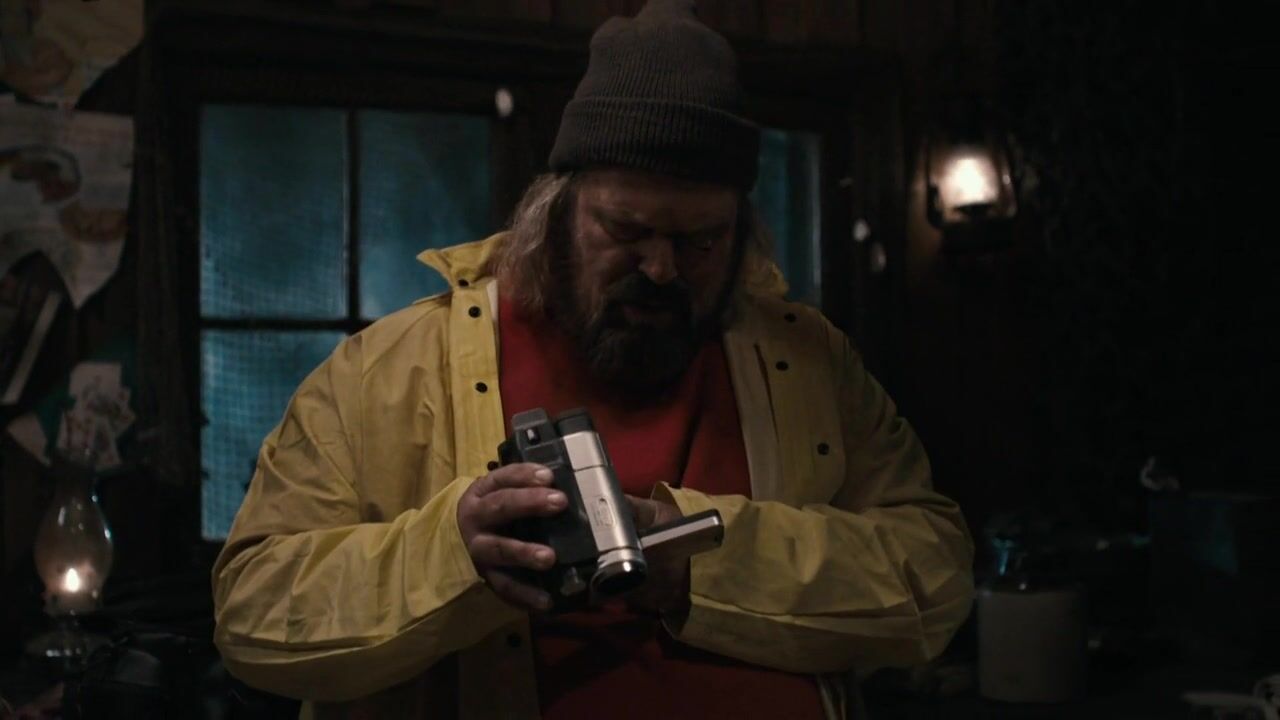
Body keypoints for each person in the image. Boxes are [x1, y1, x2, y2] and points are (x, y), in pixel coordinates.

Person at [211, 1, 974, 717]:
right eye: (626, 230)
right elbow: (251, 615)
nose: (662, 268)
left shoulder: (811, 362)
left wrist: (697, 559)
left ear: (741, 232)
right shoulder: (384, 372)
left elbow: (935, 576)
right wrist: (455, 558)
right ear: (554, 213)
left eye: (700, 240)